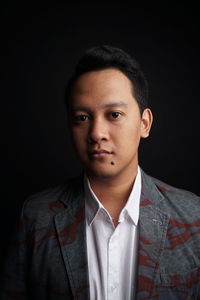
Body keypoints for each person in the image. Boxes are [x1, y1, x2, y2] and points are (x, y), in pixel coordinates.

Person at [1, 45, 200, 300]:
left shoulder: (193, 218)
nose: (96, 133)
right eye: (82, 118)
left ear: (144, 123)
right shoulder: (36, 217)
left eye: (114, 114)